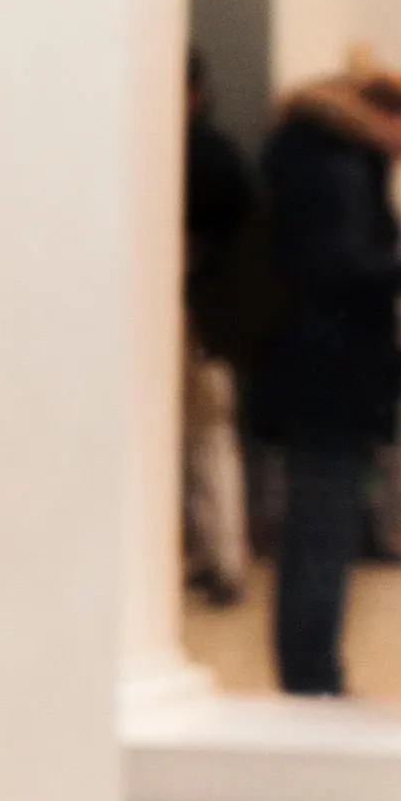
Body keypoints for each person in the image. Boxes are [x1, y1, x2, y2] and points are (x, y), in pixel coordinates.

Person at [246, 50, 401, 695]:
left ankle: (311, 669)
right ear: (385, 116)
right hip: (329, 372)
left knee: (317, 527)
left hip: (314, 368)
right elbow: (335, 267)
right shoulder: (337, 168)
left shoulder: (314, 156)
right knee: (320, 530)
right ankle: (313, 676)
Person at [183, 51, 260, 608]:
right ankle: (221, 557)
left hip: (194, 311)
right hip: (207, 311)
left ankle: (222, 559)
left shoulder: (198, 155)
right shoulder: (216, 154)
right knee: (209, 440)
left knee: (205, 439)